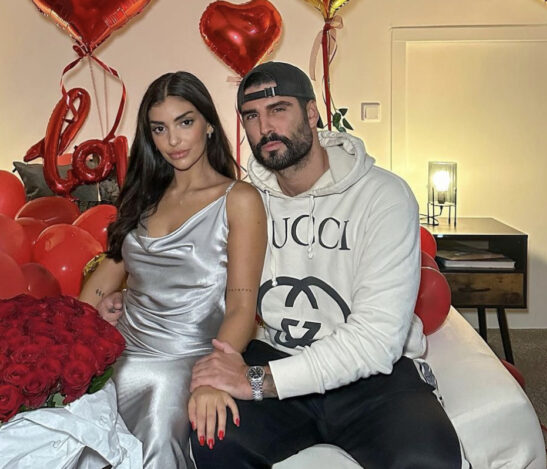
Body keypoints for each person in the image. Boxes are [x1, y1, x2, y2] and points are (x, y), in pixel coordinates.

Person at [184, 62, 468, 468]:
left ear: (312, 112)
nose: (265, 127)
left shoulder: (383, 196)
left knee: (428, 460)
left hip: (374, 378)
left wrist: (256, 381)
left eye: (278, 109)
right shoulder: (244, 200)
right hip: (277, 352)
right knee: (213, 441)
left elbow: (376, 339)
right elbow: (206, 282)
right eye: (251, 116)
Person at [79, 71, 266, 469]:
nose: (173, 141)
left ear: (209, 124)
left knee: (157, 424)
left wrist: (214, 377)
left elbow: (241, 308)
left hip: (183, 362)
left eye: (185, 122)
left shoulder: (239, 199)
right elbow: (99, 286)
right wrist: (74, 338)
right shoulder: (143, 197)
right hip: (118, 349)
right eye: (159, 129)